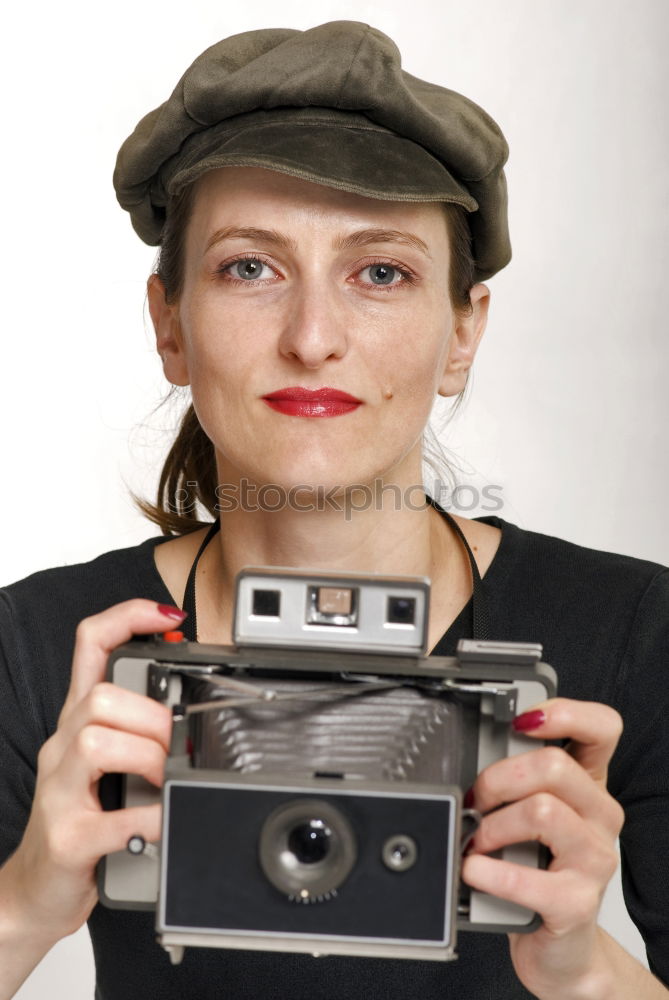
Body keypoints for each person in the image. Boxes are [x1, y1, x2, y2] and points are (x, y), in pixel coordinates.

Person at [0, 20, 667, 1000]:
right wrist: (23, 903)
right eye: (250, 268)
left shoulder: (638, 636)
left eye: (381, 272)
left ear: (461, 333)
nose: (313, 338)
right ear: (170, 326)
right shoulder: (44, 648)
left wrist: (582, 971)